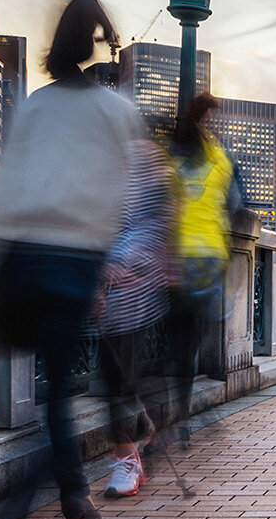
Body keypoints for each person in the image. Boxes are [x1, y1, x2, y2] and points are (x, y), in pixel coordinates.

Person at [0, 0, 143, 519]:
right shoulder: (117, 110)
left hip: (22, 256)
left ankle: (73, 492)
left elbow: (6, 187)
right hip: (75, 263)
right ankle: (32, 511)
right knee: (58, 397)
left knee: (49, 393)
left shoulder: (35, 106)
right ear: (99, 43)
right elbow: (123, 194)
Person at [89, 136, 175, 498]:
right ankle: (127, 458)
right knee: (113, 380)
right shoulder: (106, 180)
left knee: (134, 379)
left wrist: (125, 263)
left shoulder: (152, 175)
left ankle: (142, 445)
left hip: (144, 300)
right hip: (111, 302)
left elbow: (160, 230)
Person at [166, 93, 243, 447]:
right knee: (193, 339)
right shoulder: (222, 160)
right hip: (208, 259)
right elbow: (235, 206)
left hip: (173, 258)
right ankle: (183, 415)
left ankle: (174, 413)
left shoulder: (168, 154)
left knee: (177, 342)